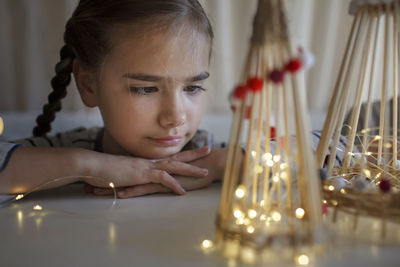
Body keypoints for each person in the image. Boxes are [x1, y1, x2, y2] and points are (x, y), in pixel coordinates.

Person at [0, 0, 228, 198]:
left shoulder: (204, 151)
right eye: (146, 89)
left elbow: (265, 152)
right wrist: (88, 166)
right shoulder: (66, 151)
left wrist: (216, 165)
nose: (175, 117)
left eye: (193, 87)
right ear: (88, 85)